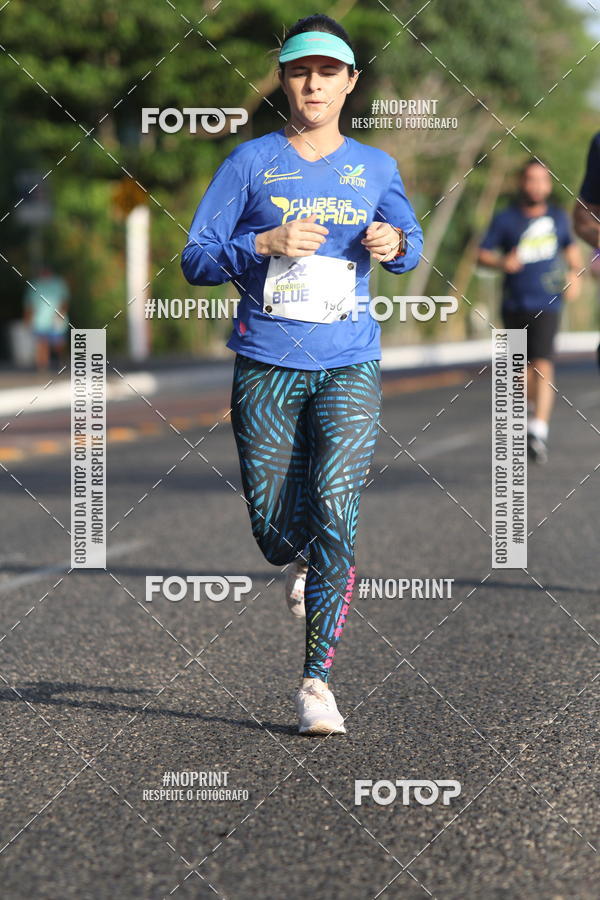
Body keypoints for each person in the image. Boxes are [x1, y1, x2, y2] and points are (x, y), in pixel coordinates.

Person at [181, 14, 422, 735]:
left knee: (336, 509)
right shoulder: (249, 163)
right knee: (273, 530)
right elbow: (195, 259)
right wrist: (263, 243)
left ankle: (317, 683)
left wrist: (393, 241)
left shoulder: (375, 167)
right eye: (299, 72)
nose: (313, 84)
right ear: (283, 81)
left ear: (350, 82)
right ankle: (299, 560)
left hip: (349, 362)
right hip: (266, 361)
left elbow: (409, 246)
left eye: (328, 72)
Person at [478, 159, 582, 464]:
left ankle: (538, 430)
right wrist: (501, 262)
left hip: (548, 303)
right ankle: (531, 416)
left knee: (543, 363)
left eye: (542, 180)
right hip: (514, 304)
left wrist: (574, 276)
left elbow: (574, 257)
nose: (537, 186)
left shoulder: (559, 218)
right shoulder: (505, 219)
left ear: (549, 185)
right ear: (521, 183)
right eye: (531, 180)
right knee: (520, 371)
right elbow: (482, 254)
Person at [573, 131, 600, 368]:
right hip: (516, 303)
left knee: (541, 362)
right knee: (519, 362)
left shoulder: (553, 216)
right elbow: (582, 217)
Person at [23, 265, 70, 370]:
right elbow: (29, 304)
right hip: (39, 321)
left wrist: (60, 314)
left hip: (56, 319)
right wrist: (27, 319)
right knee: (41, 343)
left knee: (58, 344)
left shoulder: (59, 283)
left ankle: (60, 361)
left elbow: (64, 300)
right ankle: (42, 367)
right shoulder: (35, 284)